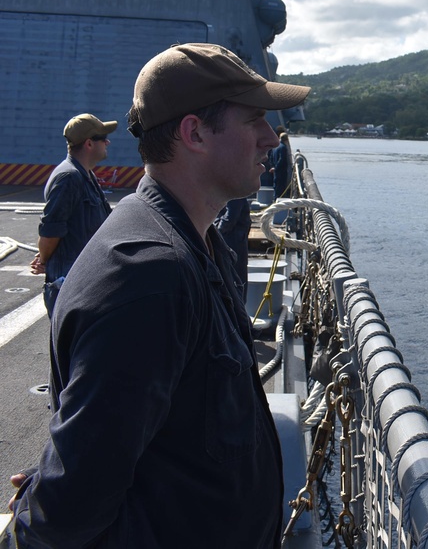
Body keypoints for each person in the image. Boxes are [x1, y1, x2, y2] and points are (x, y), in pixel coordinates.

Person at [8, 43, 311, 548]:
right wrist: (40, 503)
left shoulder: (190, 239)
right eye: (254, 120)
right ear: (194, 133)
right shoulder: (151, 276)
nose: (270, 140)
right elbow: (69, 510)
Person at [31, 113, 117, 317]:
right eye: (102, 138)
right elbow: (50, 231)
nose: (107, 141)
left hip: (84, 281)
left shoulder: (84, 175)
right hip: (71, 287)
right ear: (89, 143)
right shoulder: (69, 178)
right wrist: (45, 259)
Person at [272, 131, 293, 199]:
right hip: (281, 172)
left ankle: (275, 200)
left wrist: (273, 167)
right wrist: (276, 168)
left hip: (276, 172)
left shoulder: (275, 147)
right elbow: (282, 159)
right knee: (281, 188)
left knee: (276, 187)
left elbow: (271, 158)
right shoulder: (283, 147)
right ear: (286, 139)